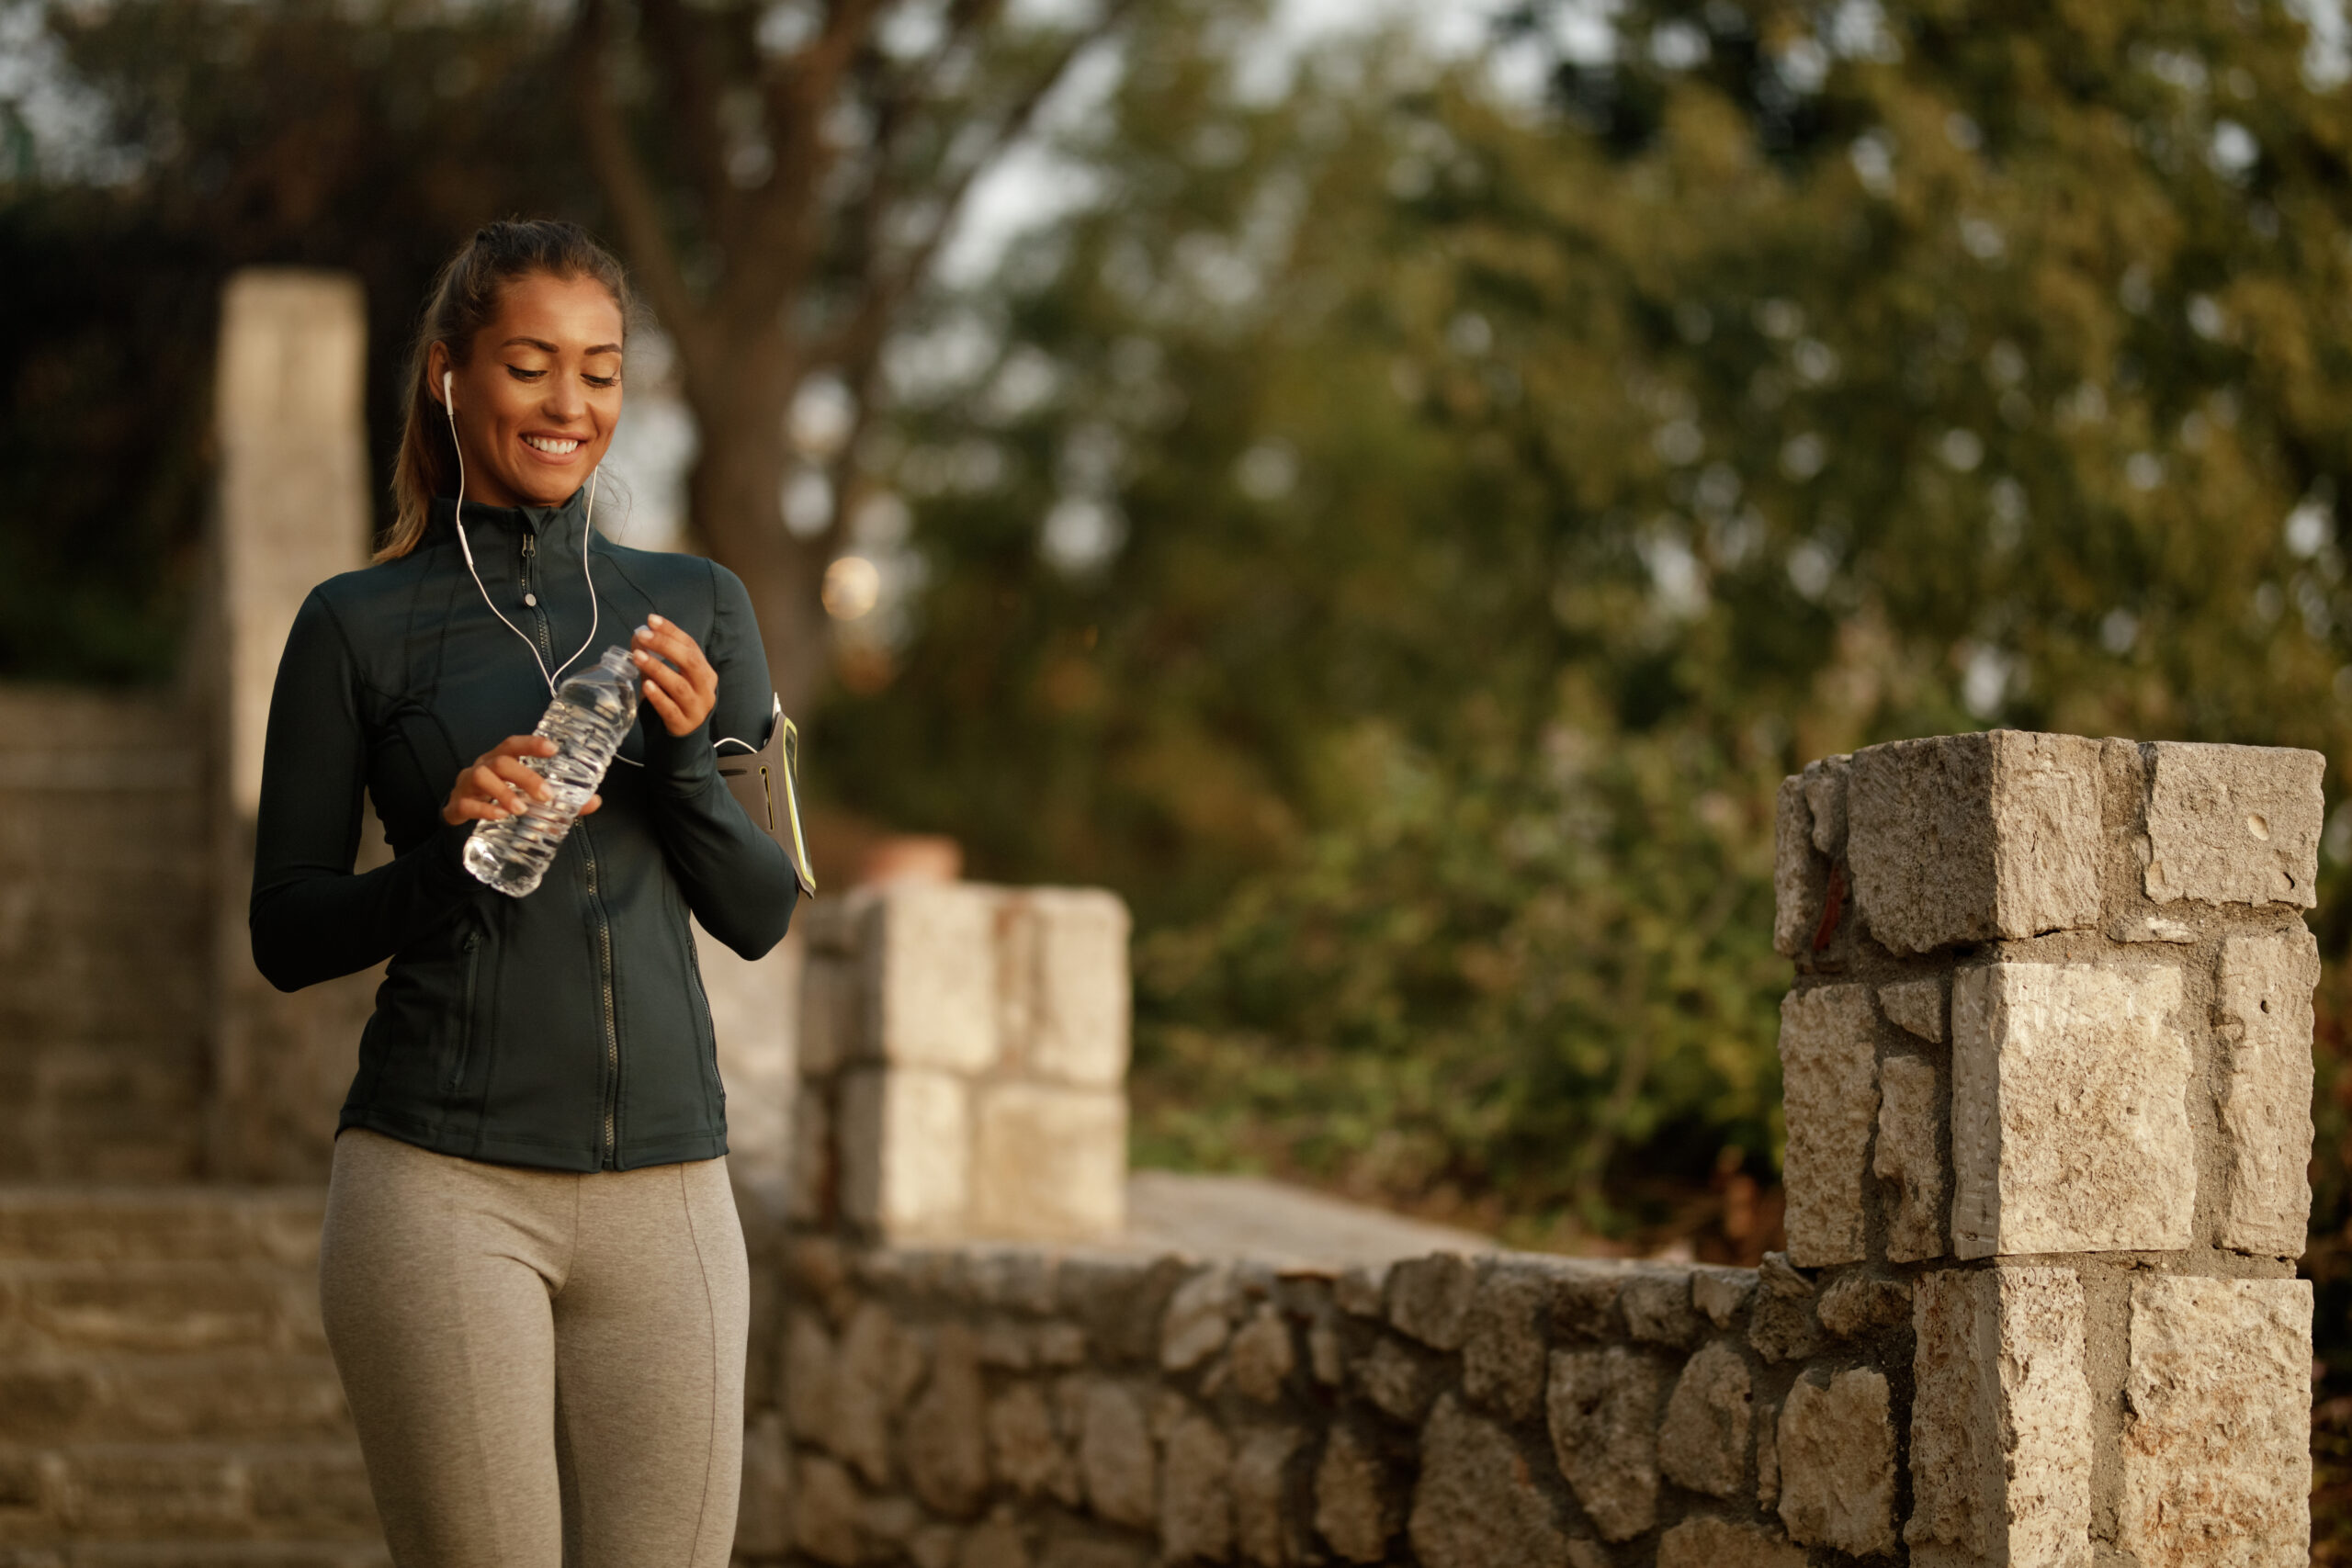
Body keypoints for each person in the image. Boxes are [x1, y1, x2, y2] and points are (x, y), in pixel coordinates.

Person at [248, 219, 798, 1567]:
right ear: (451, 374)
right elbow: (287, 930)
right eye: (533, 365)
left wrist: (679, 756)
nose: (570, 406)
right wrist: (446, 853)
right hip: (437, 1191)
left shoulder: (699, 608)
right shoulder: (354, 626)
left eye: (601, 373)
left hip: (670, 1198)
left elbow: (762, 910)